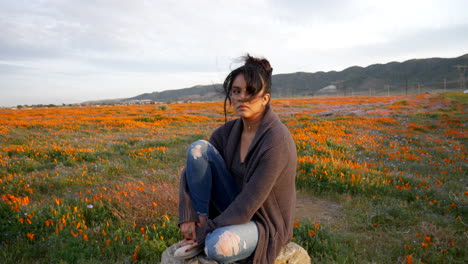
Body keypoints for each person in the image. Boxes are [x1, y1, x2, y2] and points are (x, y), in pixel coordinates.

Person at [176, 54, 297, 263]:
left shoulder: (276, 141)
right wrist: (190, 216)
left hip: (262, 222)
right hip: (232, 209)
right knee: (198, 149)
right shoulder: (227, 132)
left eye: (250, 91)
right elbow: (192, 172)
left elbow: (248, 204)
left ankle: (205, 236)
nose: (241, 97)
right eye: (236, 91)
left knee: (217, 247)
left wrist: (208, 231)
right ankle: (203, 224)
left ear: (265, 98)